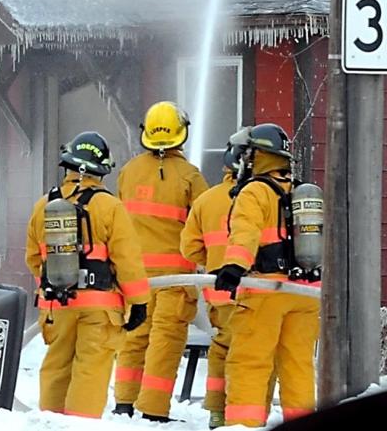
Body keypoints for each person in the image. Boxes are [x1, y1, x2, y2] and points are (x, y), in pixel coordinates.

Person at [25, 131, 150, 418]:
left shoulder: (44, 206)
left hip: (57, 305)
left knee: (56, 367)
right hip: (99, 308)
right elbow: (127, 260)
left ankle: (50, 423)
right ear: (102, 169)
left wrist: (52, 289)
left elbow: (33, 258)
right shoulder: (109, 206)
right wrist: (139, 302)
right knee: (90, 371)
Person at [216, 122, 321, 427]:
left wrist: (234, 267)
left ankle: (244, 426)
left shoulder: (255, 191)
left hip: (265, 290)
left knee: (249, 362)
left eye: (246, 155)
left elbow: (245, 231)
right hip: (305, 293)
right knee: (298, 366)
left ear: (256, 156)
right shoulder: (299, 191)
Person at [115, 100, 208, 419]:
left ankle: (124, 402)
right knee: (164, 343)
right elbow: (205, 223)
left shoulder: (128, 172)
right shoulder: (190, 176)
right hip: (175, 278)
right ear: (182, 134)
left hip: (136, 278)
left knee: (134, 337)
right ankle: (153, 410)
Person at [180, 129, 249, 429]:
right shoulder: (267, 197)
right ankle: (243, 413)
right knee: (252, 354)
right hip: (257, 293)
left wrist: (214, 259)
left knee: (222, 348)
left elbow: (189, 248)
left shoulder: (207, 200)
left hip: (219, 292)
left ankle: (217, 412)